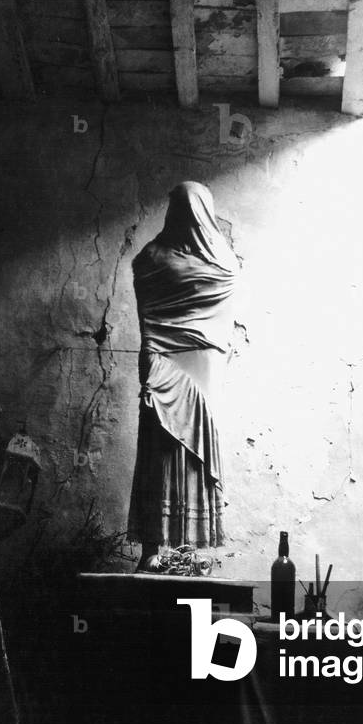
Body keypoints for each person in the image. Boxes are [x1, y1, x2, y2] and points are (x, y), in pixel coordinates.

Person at [127, 181, 239, 570]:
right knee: (164, 447)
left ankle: (168, 551)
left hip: (174, 360)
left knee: (172, 447)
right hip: (180, 358)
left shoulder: (151, 258)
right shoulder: (222, 262)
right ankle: (158, 549)